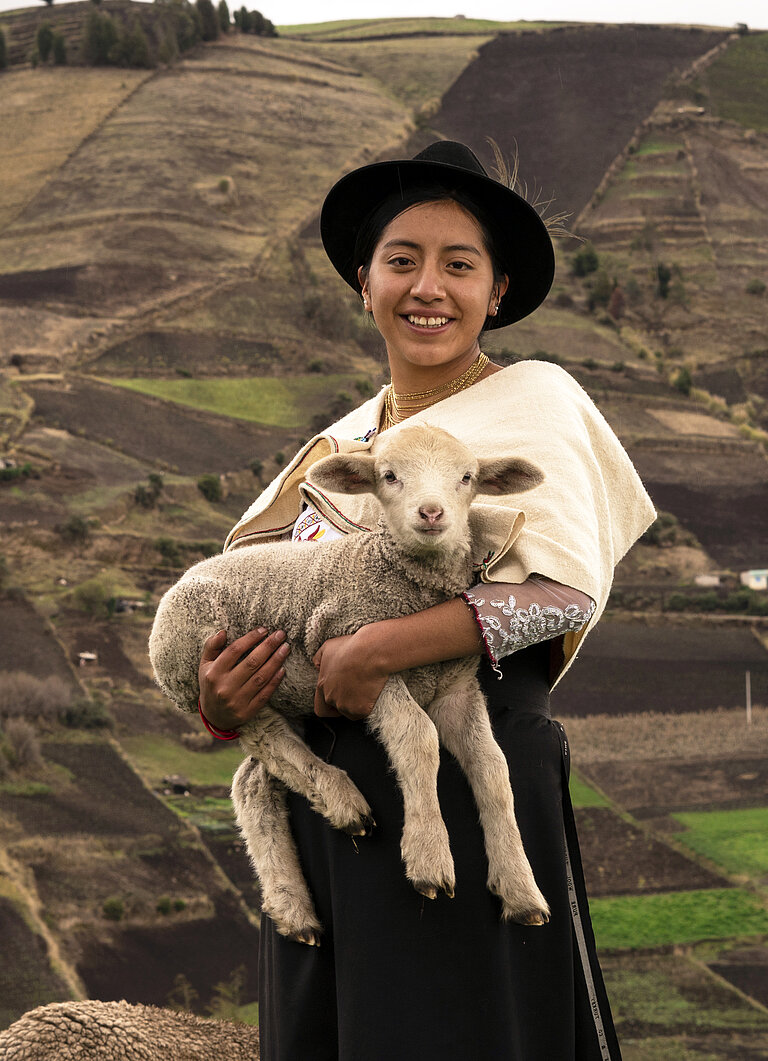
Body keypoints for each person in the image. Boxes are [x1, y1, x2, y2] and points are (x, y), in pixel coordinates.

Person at [197, 141, 656, 1060]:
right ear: (363, 282)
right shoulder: (338, 449)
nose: (427, 287)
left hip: (467, 770)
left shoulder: (536, 403)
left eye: (459, 264)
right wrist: (220, 701)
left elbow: (560, 593)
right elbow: (250, 607)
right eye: (402, 260)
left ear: (498, 290)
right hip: (326, 811)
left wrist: (379, 649)